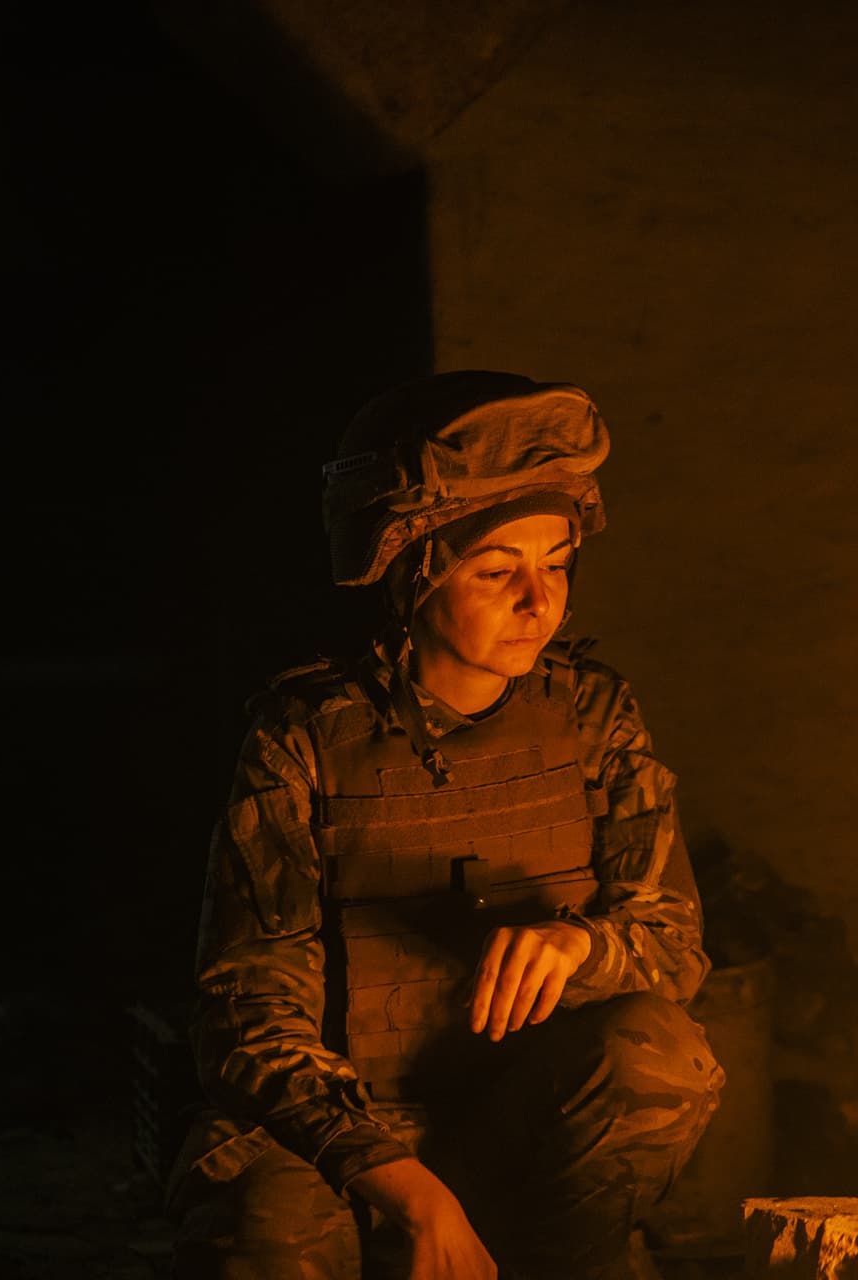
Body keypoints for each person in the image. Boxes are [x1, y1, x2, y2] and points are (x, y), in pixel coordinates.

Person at [173, 372, 723, 1279]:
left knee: (658, 1054)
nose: (538, 602)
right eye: (499, 569)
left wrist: (579, 948)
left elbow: (675, 946)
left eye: (555, 564)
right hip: (351, 1137)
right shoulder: (305, 741)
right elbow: (247, 1019)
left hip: (521, 1125)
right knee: (259, 1215)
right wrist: (410, 1193)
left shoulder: (593, 716)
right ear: (414, 573)